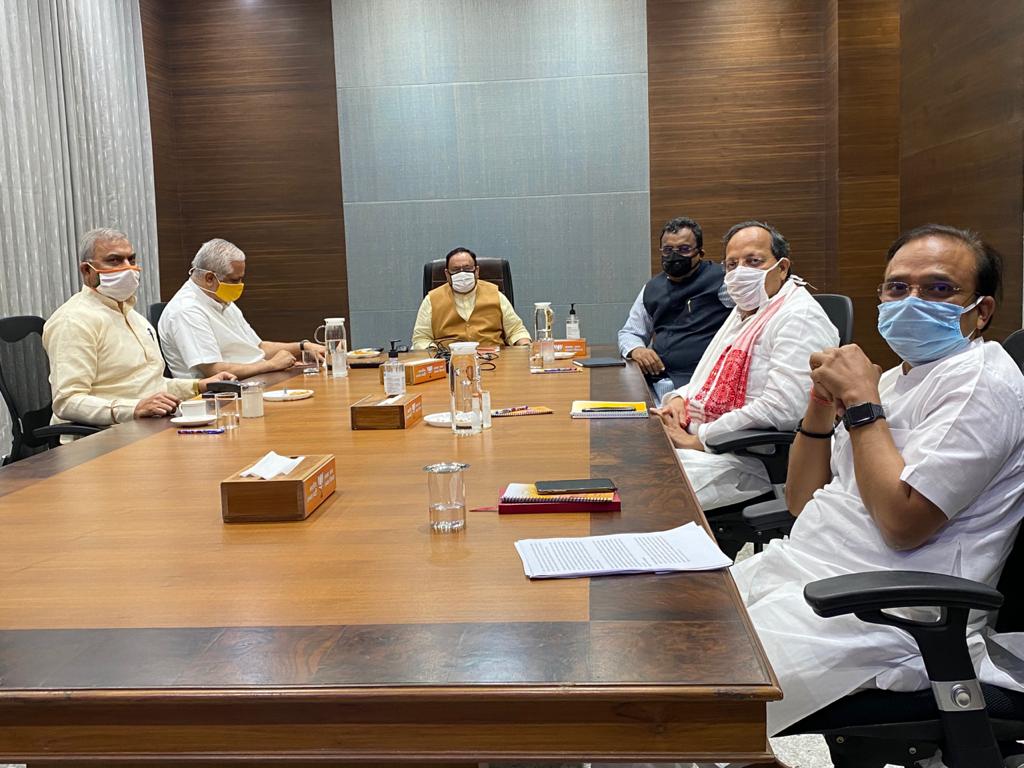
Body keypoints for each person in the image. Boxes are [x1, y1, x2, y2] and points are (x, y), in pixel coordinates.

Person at [733, 223, 1024, 738]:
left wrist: (864, 405)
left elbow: (903, 524)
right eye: (897, 287)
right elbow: (802, 501)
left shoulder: (983, 382)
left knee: (683, 698)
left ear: (980, 311)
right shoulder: (896, 378)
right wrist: (823, 404)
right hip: (806, 574)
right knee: (662, 634)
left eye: (938, 289)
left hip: (886, 617)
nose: (912, 301)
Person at [654, 221, 839, 512]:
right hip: (716, 445)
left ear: (781, 267)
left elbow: (783, 409)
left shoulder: (799, 318)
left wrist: (699, 440)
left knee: (649, 496)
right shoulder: (746, 311)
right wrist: (679, 398)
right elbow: (709, 377)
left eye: (754, 261)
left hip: (749, 458)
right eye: (732, 264)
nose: (740, 272)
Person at [43, 228, 234, 429]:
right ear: (87, 271)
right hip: (101, 437)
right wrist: (134, 408)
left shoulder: (133, 316)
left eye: (131, 260)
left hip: (148, 425)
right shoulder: (73, 320)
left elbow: (150, 385)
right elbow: (67, 401)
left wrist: (199, 386)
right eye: (114, 260)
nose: (128, 268)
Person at [159, 238, 326, 378]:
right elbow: (213, 371)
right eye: (234, 280)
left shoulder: (221, 299)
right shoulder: (186, 310)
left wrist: (304, 346)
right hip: (219, 398)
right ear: (210, 278)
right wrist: (271, 365)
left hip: (255, 380)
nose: (240, 286)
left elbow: (259, 348)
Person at [618, 217, 732, 402]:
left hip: (705, 387)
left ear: (700, 253)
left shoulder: (723, 281)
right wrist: (637, 349)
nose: (674, 255)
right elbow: (630, 332)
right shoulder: (652, 287)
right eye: (668, 250)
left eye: (684, 249)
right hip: (657, 384)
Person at [411, 247, 531, 350]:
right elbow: (421, 338)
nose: (462, 274)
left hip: (495, 360)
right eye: (456, 270)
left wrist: (524, 345)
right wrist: (436, 354)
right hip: (449, 364)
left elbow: (516, 330)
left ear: (477, 271)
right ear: (447, 274)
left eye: (468, 269)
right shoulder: (431, 300)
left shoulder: (495, 295)